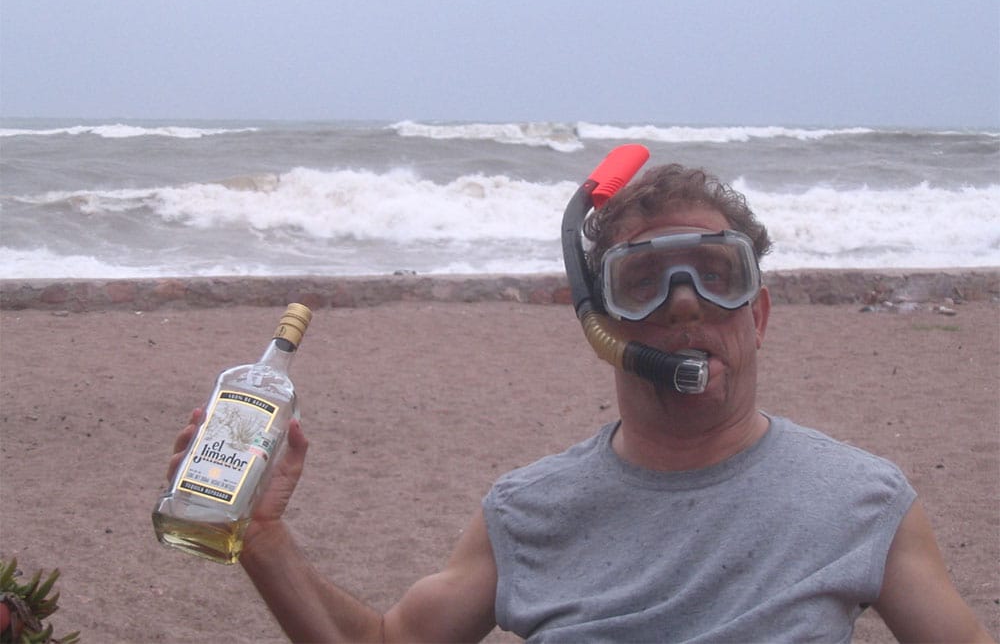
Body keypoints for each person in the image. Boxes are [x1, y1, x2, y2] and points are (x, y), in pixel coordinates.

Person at [168, 162, 993, 643]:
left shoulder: (862, 500)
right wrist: (263, 538)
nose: (684, 305)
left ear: (761, 315)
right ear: (601, 325)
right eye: (643, 281)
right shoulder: (528, 509)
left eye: (717, 275)